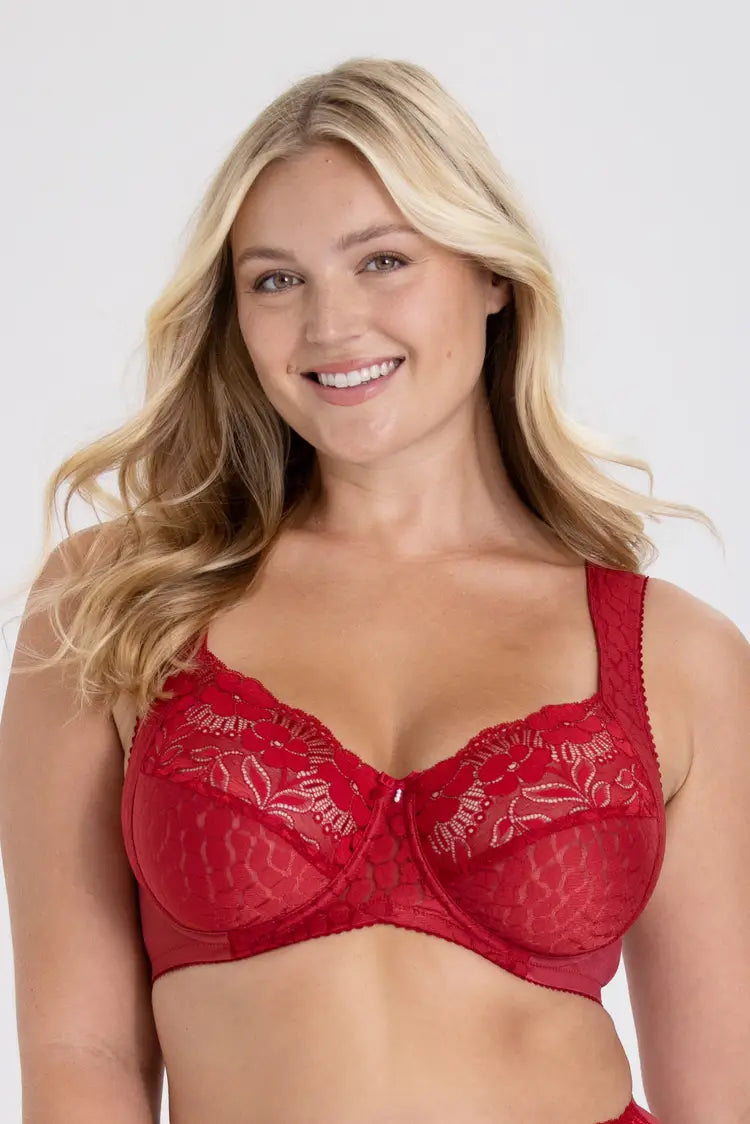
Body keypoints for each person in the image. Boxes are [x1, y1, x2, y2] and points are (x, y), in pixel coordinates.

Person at [0, 55, 747, 1124]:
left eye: (383, 260)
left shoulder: (677, 656)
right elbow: (81, 1051)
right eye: (275, 279)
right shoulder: (118, 605)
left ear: (491, 274)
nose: (330, 324)